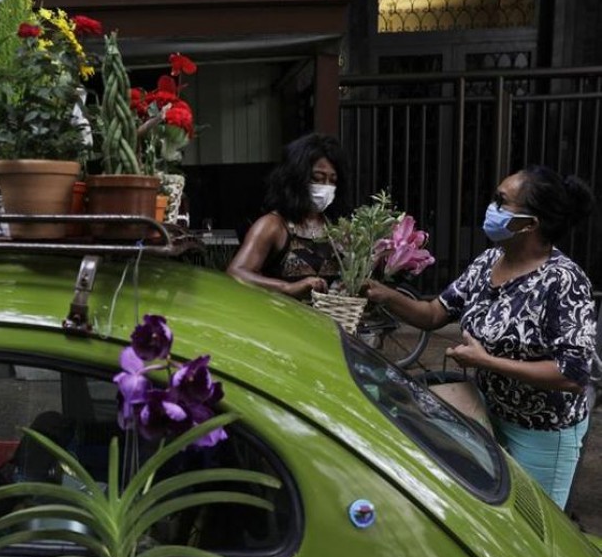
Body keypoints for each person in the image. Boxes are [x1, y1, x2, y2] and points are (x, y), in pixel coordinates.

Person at [365, 165, 596, 509]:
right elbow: (433, 315)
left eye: (501, 202)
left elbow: (574, 374)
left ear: (530, 224)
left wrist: (486, 362)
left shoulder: (563, 281)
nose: (491, 208)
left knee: (532, 527)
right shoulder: (489, 261)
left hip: (543, 432)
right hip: (489, 414)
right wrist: (385, 294)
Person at [227, 133, 349, 300]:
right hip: (284, 321)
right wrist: (287, 287)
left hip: (332, 323)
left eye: (332, 181)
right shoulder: (273, 225)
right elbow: (236, 273)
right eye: (317, 179)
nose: (326, 187)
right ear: (296, 179)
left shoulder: (337, 227)